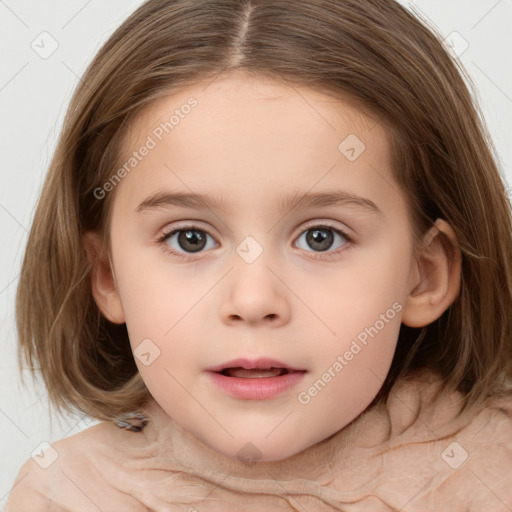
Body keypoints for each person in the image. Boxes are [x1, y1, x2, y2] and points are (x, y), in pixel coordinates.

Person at [6, 0, 512, 510]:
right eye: (190, 239)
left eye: (321, 237)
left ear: (423, 275)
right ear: (108, 276)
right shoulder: (64, 496)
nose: (252, 300)